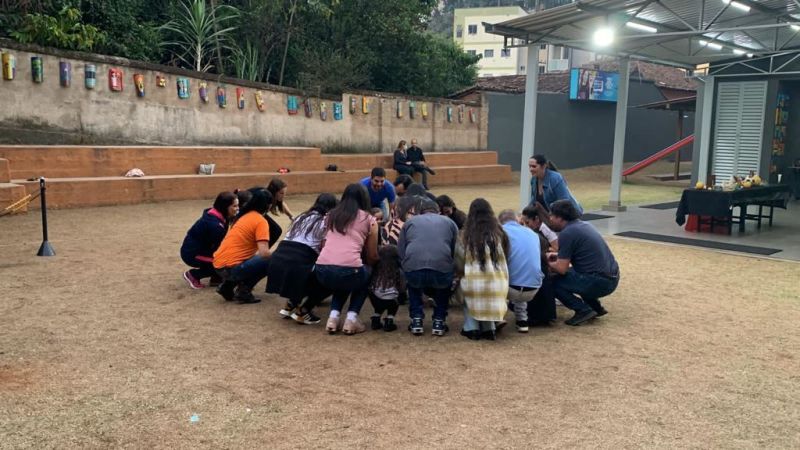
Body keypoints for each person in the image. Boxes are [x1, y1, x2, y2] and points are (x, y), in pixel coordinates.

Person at [315, 183, 380, 335]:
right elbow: (372, 255)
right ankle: (351, 318)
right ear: (365, 199)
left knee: (344, 279)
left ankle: (333, 317)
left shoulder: (330, 215)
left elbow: (323, 243)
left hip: (322, 269)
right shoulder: (369, 219)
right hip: (349, 270)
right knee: (363, 274)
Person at [266, 193, 338, 325]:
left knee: (304, 269)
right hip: (297, 261)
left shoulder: (302, 216)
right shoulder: (325, 222)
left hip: (279, 259)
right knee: (332, 277)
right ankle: (303, 311)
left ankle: (290, 304)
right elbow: (324, 249)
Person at [546, 200, 620, 326]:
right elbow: (580, 254)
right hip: (612, 277)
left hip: (599, 281)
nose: (550, 219)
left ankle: (583, 310)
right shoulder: (584, 225)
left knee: (553, 281)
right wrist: (557, 256)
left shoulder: (567, 233)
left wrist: (545, 261)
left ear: (560, 217)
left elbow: (561, 268)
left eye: (552, 215)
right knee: (576, 274)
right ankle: (596, 307)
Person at [397, 198, 458, 336]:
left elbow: (401, 249)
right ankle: (439, 321)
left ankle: (416, 320)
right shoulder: (450, 222)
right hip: (441, 267)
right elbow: (455, 249)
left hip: (414, 268)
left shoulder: (410, 222)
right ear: (438, 211)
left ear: (420, 212)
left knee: (414, 288)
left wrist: (406, 266)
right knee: (443, 289)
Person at [456, 198, 509, 341]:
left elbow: (459, 262)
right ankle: (489, 328)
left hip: (473, 284)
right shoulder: (499, 234)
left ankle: (471, 327)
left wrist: (460, 273)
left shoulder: (464, 235)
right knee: (488, 293)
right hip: (499, 283)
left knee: (468, 287)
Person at [213, 188, 273, 304]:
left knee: (252, 258)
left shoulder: (244, 216)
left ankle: (227, 286)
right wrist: (280, 255)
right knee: (270, 259)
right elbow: (264, 253)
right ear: (268, 205)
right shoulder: (261, 221)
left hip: (218, 265)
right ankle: (244, 291)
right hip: (230, 268)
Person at [180, 192, 239, 289]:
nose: (237, 208)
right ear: (225, 207)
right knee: (225, 261)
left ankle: (216, 278)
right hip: (192, 254)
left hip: (197, 250)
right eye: (234, 206)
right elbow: (220, 248)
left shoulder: (215, 213)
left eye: (238, 205)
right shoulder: (215, 225)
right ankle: (193, 275)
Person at [498, 209, 543, 333]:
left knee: (497, 272)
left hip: (511, 289)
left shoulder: (500, 232)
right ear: (517, 220)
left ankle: (496, 317)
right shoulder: (532, 234)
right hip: (534, 288)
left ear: (499, 222)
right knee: (521, 270)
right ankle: (522, 320)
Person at [368, 245, 405, 332]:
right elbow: (402, 288)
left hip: (375, 299)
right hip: (391, 300)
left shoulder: (375, 269)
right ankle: (389, 320)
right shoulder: (398, 271)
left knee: (379, 300)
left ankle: (376, 319)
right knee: (394, 299)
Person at [265, 178, 293, 246]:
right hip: (253, 215)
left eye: (284, 193)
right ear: (274, 192)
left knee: (276, 230)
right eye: (281, 193)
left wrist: (291, 216)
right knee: (276, 230)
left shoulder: (275, 198)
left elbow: (282, 203)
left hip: (260, 215)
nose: (283, 196)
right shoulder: (266, 197)